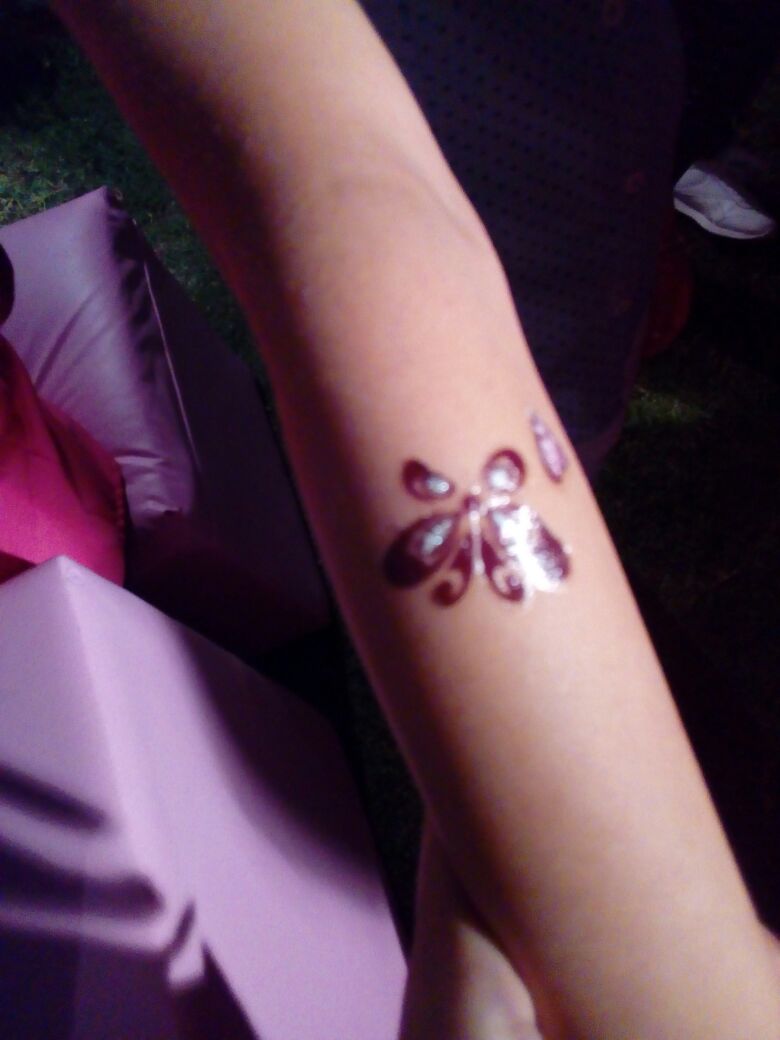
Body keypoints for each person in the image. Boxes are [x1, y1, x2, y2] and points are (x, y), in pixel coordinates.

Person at [52, 2, 780, 1037]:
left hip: (586, 242)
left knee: (569, 449)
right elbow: (355, 195)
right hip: (458, 268)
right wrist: (659, 965)